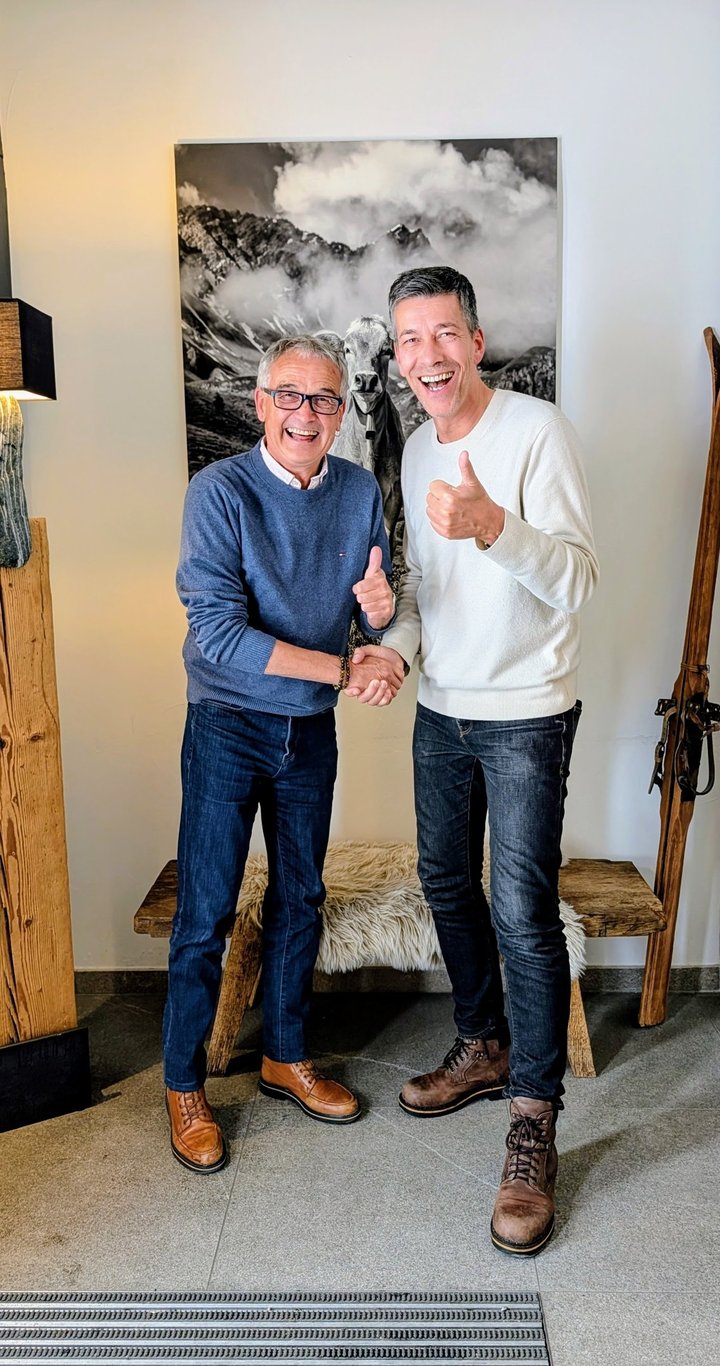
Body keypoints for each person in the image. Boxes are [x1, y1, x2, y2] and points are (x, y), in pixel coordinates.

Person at [351, 266, 598, 1254]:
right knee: (446, 881)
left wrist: (495, 525)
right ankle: (484, 1043)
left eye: (444, 333)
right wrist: (393, 649)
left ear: (477, 341)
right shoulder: (415, 448)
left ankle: (533, 1121)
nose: (428, 356)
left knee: (522, 912)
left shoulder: (538, 432)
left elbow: (579, 580)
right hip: (441, 711)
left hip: (528, 713)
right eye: (410, 339)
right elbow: (421, 586)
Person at [163, 334, 403, 1174]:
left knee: (302, 895)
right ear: (261, 403)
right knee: (207, 911)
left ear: (341, 411)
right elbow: (218, 635)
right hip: (227, 723)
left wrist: (382, 616)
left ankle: (285, 1055)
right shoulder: (218, 492)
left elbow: (374, 613)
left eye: (325, 399)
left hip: (309, 730)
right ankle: (184, 1085)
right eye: (291, 396)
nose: (308, 414)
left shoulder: (358, 490)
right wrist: (343, 667)